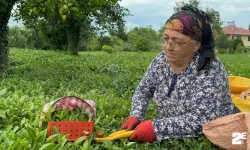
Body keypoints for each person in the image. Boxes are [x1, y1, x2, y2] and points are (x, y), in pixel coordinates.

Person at [119, 5, 235, 143]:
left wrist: (156, 129)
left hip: (213, 134)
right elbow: (144, 90)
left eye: (177, 41)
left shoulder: (208, 67)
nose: (168, 46)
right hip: (172, 130)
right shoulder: (161, 61)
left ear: (196, 45)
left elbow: (203, 119)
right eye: (166, 39)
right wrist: (136, 115)